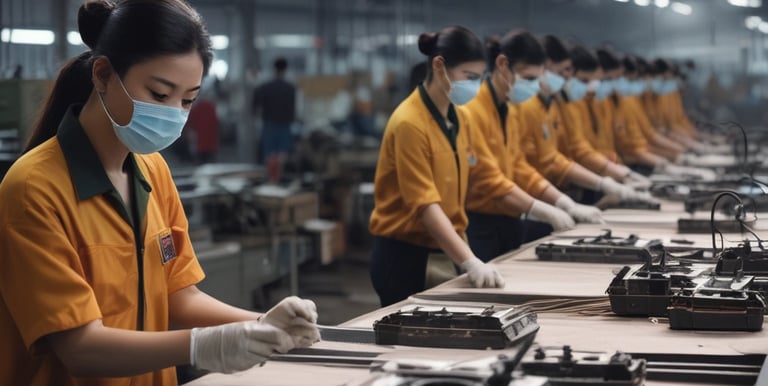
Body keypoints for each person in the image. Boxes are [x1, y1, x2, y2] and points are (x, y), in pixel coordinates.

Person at [0, 1, 319, 385]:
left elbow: (179, 296)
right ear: (102, 74)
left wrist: (262, 323)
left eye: (188, 100)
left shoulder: (153, 170)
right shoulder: (34, 190)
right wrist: (201, 346)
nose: (174, 114)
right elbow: (80, 348)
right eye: (159, 93)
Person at [369, 26, 531, 307]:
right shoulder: (409, 122)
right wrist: (469, 261)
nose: (475, 86)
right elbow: (425, 205)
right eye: (468, 77)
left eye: (479, 78)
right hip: (405, 256)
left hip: (446, 249)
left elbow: (482, 172)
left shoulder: (459, 118)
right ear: (439, 65)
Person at [464, 30, 605, 262]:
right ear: (502, 65)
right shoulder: (473, 110)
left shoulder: (506, 108)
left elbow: (518, 165)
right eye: (528, 78)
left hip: (510, 217)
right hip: (481, 222)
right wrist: (542, 209)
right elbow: (487, 178)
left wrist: (563, 203)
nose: (533, 87)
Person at [516, 38, 652, 206]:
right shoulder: (529, 105)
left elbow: (580, 147)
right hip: (539, 193)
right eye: (565, 70)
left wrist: (619, 172)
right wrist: (606, 180)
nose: (567, 75)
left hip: (565, 186)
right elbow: (560, 157)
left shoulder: (557, 104)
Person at [252, 57, 296, 182]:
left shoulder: (265, 87)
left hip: (269, 124)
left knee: (269, 155)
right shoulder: (290, 88)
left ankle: (270, 181)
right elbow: (293, 110)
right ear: (286, 69)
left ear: (274, 69)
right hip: (285, 125)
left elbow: (255, 106)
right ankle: (279, 179)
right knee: (282, 156)